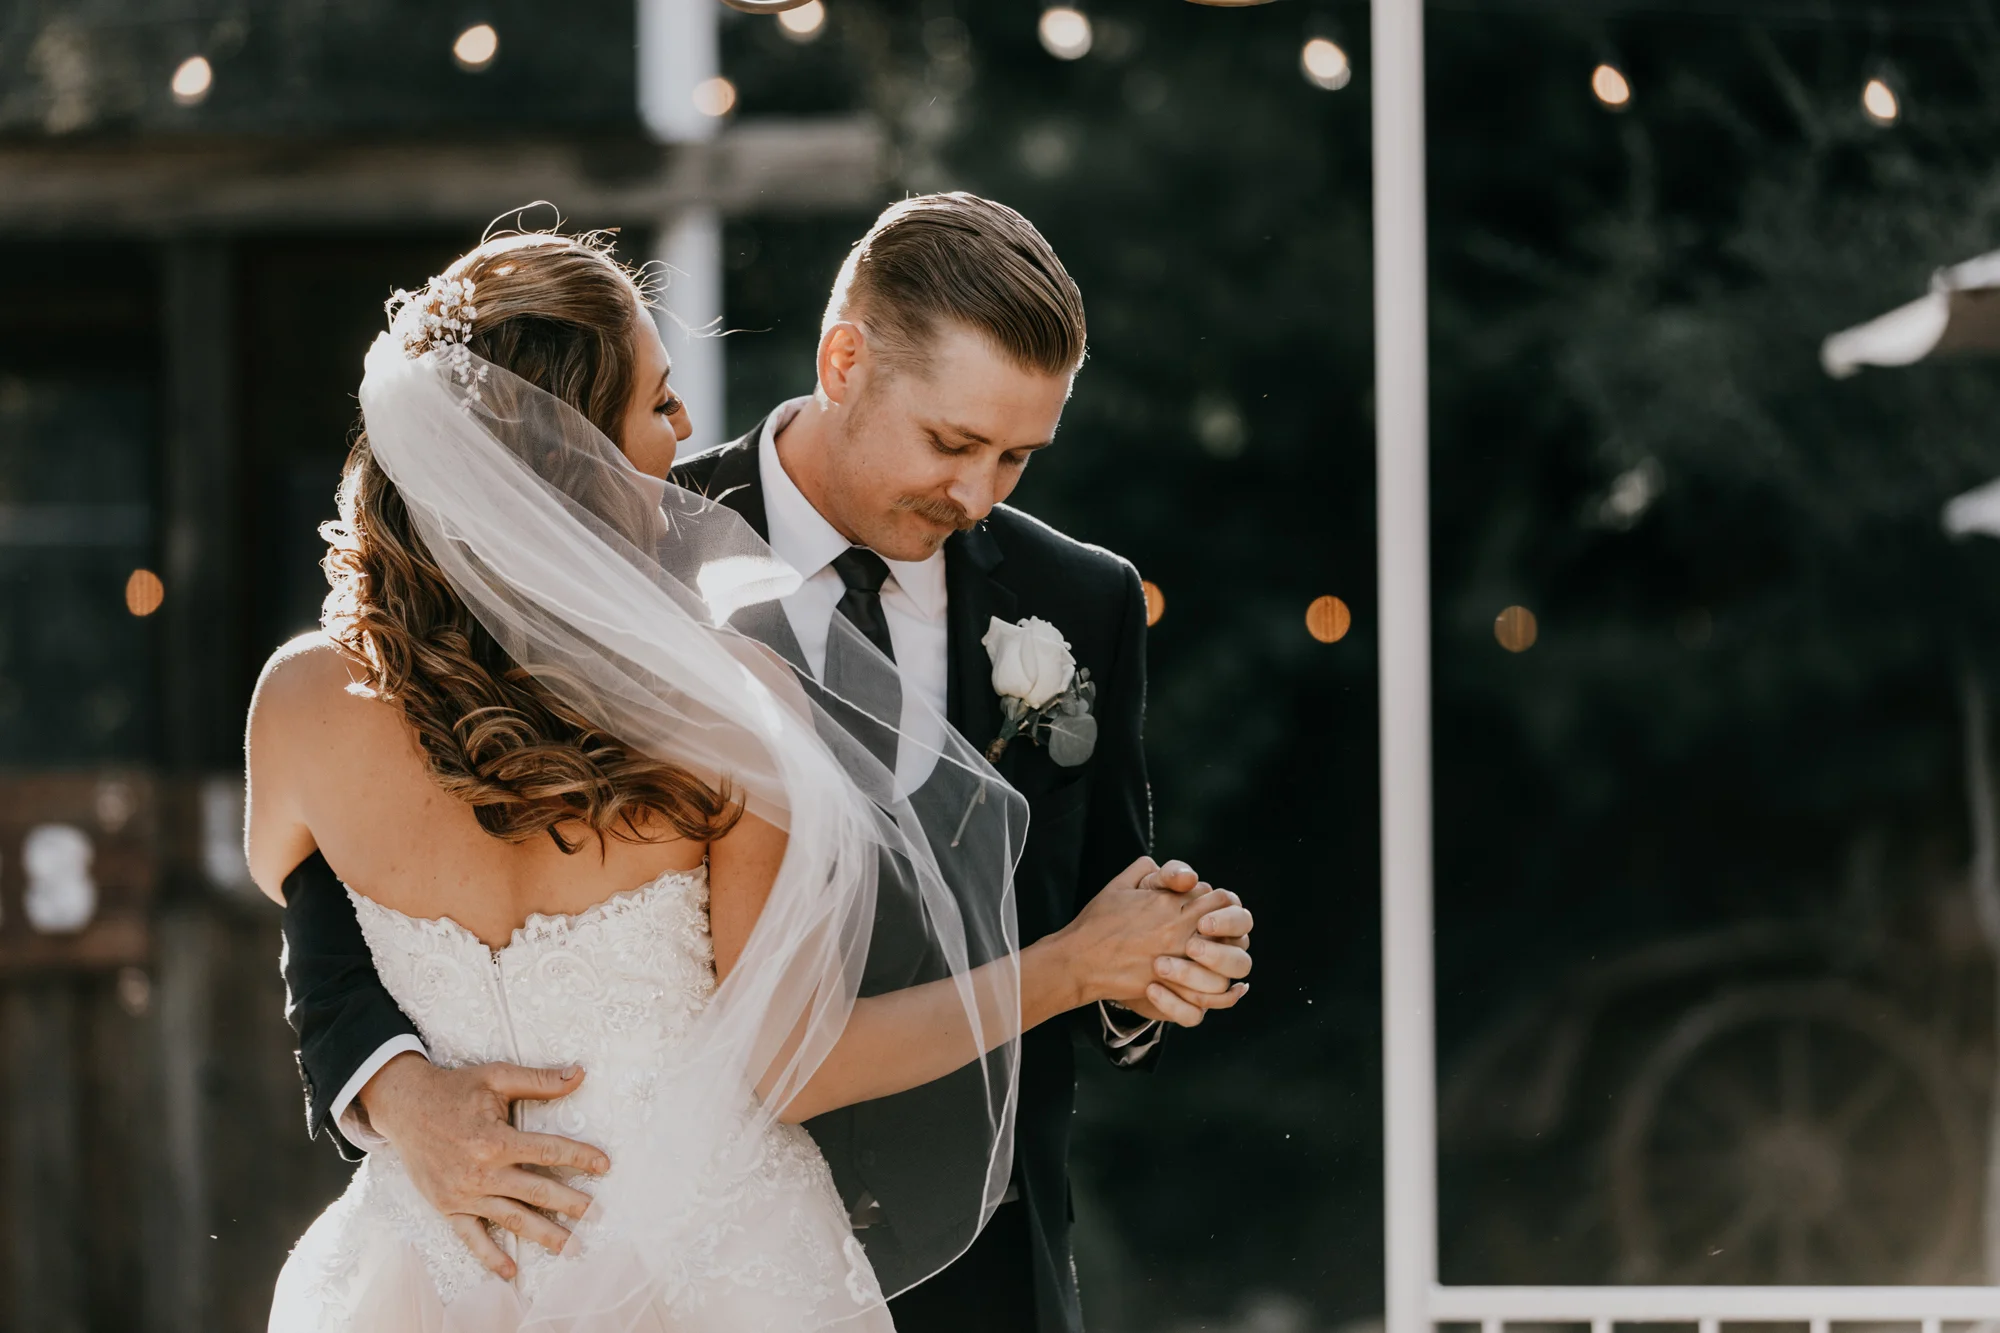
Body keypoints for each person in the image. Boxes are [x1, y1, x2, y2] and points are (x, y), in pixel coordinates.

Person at [272, 201, 1253, 1332]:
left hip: (982, 1252)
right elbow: (338, 894)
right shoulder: (598, 536)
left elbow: (1092, 899)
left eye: (1018, 456)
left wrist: (1163, 961)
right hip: (648, 1241)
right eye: (950, 443)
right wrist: (394, 1090)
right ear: (845, 362)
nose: (980, 494)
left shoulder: (1084, 597)